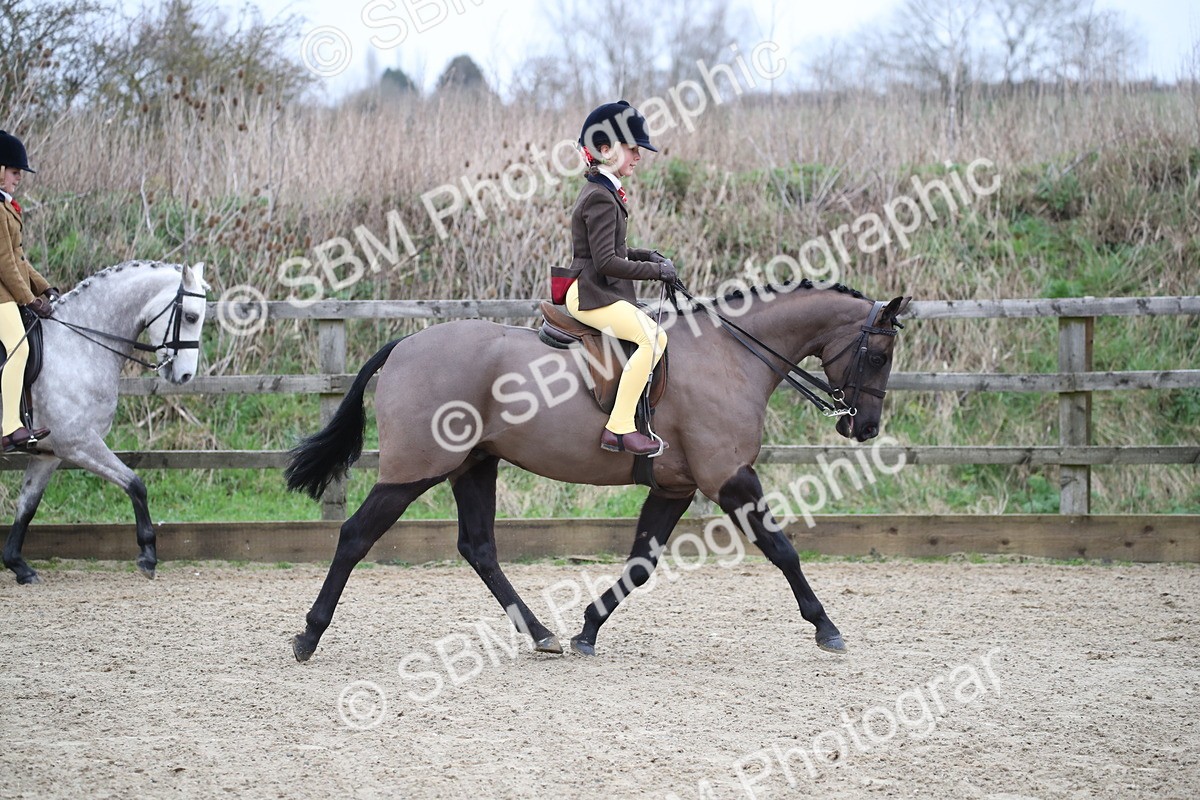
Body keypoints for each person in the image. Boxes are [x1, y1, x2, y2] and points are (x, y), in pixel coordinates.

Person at [563, 101, 677, 456]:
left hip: (597, 287)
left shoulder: (605, 191)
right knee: (652, 338)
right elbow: (608, 262)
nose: (638, 157)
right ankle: (619, 428)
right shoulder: (599, 197)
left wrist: (648, 256)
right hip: (589, 293)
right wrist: (656, 272)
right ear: (606, 149)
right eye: (633, 149)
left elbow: (614, 250)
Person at [0, 130, 55, 452]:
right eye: (15, 172)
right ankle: (11, 427)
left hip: (8, 291)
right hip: (1, 295)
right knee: (18, 349)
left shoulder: (7, 207)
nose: (19, 179)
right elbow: (5, 263)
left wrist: (46, 288)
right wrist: (29, 300)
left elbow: (20, 259)